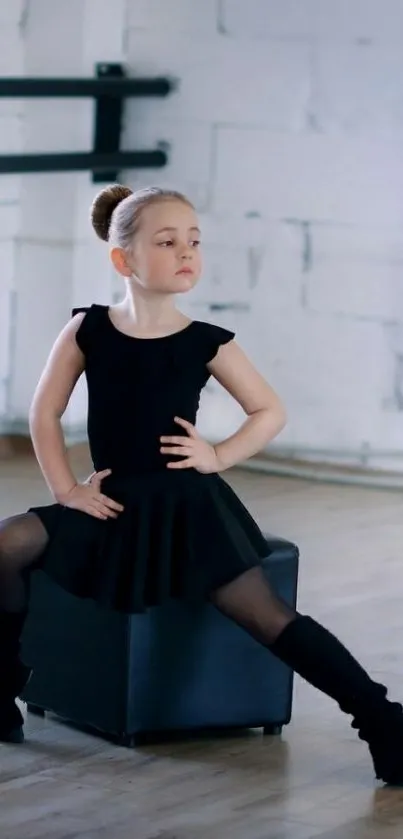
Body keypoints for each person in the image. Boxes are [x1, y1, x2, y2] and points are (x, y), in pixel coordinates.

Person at [0, 184, 402, 786]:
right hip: (108, 500)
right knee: (6, 544)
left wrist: (217, 455)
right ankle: (4, 687)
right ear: (124, 260)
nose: (186, 252)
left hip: (187, 507)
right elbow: (43, 413)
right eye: (167, 242)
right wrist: (65, 488)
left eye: (194, 241)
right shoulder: (87, 330)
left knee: (266, 615)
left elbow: (269, 412)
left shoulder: (206, 341)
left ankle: (381, 719)